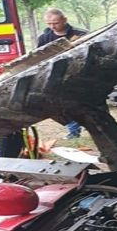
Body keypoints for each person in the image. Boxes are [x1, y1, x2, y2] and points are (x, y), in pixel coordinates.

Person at [37, 8, 88, 138]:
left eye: (56, 23)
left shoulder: (81, 34)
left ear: (64, 20)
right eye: (49, 24)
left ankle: (95, 128)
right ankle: (73, 129)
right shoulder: (44, 38)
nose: (52, 26)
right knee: (56, 104)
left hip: (80, 75)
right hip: (56, 77)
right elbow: (38, 58)